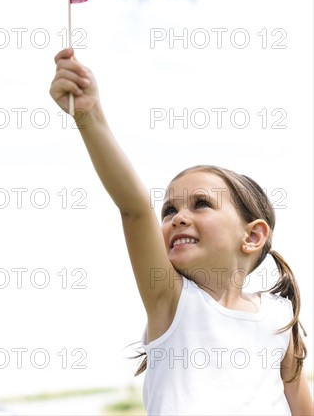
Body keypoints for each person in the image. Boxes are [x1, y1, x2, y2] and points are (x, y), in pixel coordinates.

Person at [50, 48, 314, 416]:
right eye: (170, 209)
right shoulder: (171, 300)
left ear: (252, 236)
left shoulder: (278, 317)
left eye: (201, 204)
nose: (177, 217)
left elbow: (301, 406)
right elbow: (134, 208)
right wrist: (89, 116)